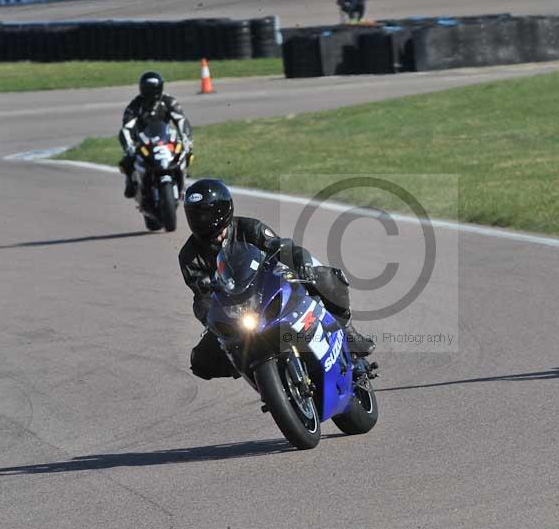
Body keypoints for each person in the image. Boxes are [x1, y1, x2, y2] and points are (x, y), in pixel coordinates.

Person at [179, 178, 375, 380]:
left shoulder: (248, 227)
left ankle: (348, 332)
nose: (201, 220)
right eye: (195, 215)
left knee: (320, 274)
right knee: (201, 361)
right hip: (235, 313)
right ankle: (257, 373)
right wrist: (210, 320)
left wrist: (302, 264)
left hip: (270, 287)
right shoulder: (189, 256)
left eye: (206, 213)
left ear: (222, 209)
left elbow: (281, 248)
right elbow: (202, 296)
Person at [119, 71, 192, 199]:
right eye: (147, 90)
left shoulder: (169, 101)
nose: (150, 94)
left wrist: (186, 139)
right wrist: (129, 147)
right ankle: (131, 181)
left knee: (186, 153)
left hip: (165, 139)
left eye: (153, 90)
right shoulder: (135, 105)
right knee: (127, 160)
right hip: (143, 143)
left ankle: (183, 180)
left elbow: (181, 120)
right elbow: (127, 128)